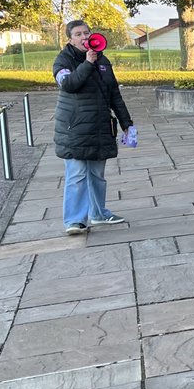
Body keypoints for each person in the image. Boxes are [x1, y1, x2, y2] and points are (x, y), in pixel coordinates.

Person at [54, 20, 133, 235]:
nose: (83, 37)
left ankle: (99, 213)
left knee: (97, 174)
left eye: (86, 33)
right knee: (77, 174)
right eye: (78, 34)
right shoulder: (63, 60)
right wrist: (88, 63)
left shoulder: (103, 60)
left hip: (99, 126)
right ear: (69, 39)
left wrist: (127, 124)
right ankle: (74, 220)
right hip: (75, 128)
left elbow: (114, 94)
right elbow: (69, 84)